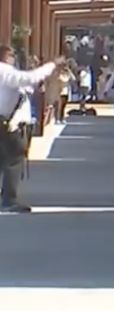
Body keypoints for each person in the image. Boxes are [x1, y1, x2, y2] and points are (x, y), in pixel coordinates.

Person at [0, 46, 63, 213]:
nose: (14, 58)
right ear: (6, 56)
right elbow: (29, 78)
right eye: (12, 54)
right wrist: (51, 65)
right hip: (7, 123)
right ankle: (9, 200)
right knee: (14, 160)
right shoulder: (5, 71)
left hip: (6, 122)